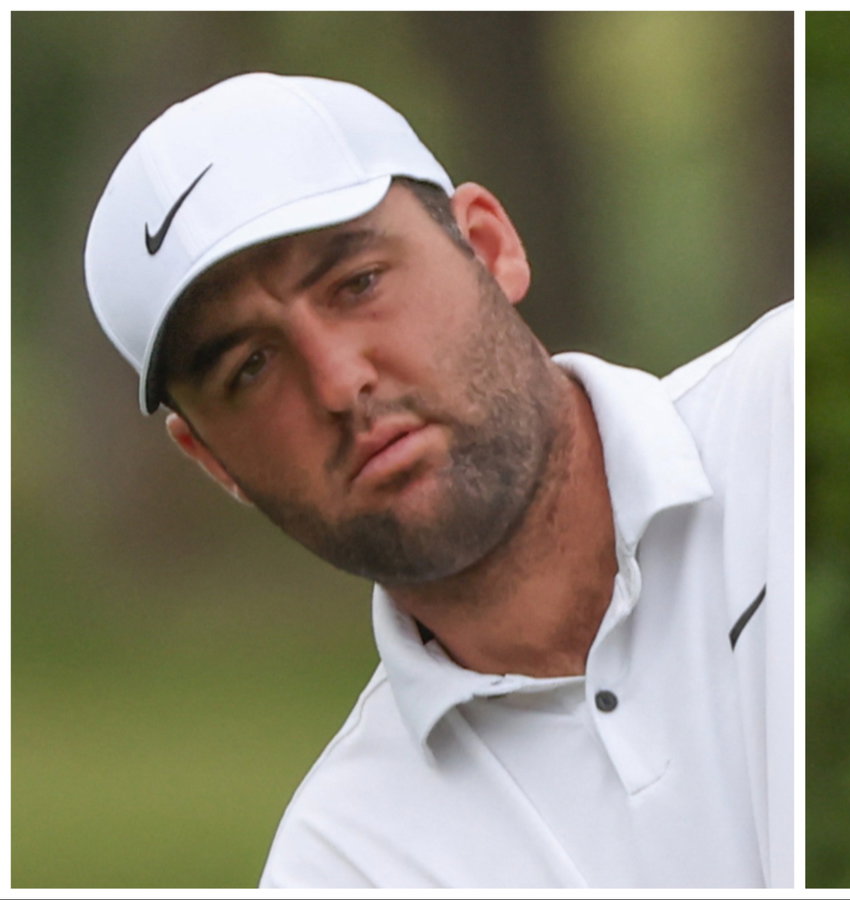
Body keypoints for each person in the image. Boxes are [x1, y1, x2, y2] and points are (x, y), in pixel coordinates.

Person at [84, 72, 793, 888]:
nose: (338, 381)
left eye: (358, 284)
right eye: (250, 367)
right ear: (212, 460)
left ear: (490, 248)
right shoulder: (345, 864)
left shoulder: (783, 407)